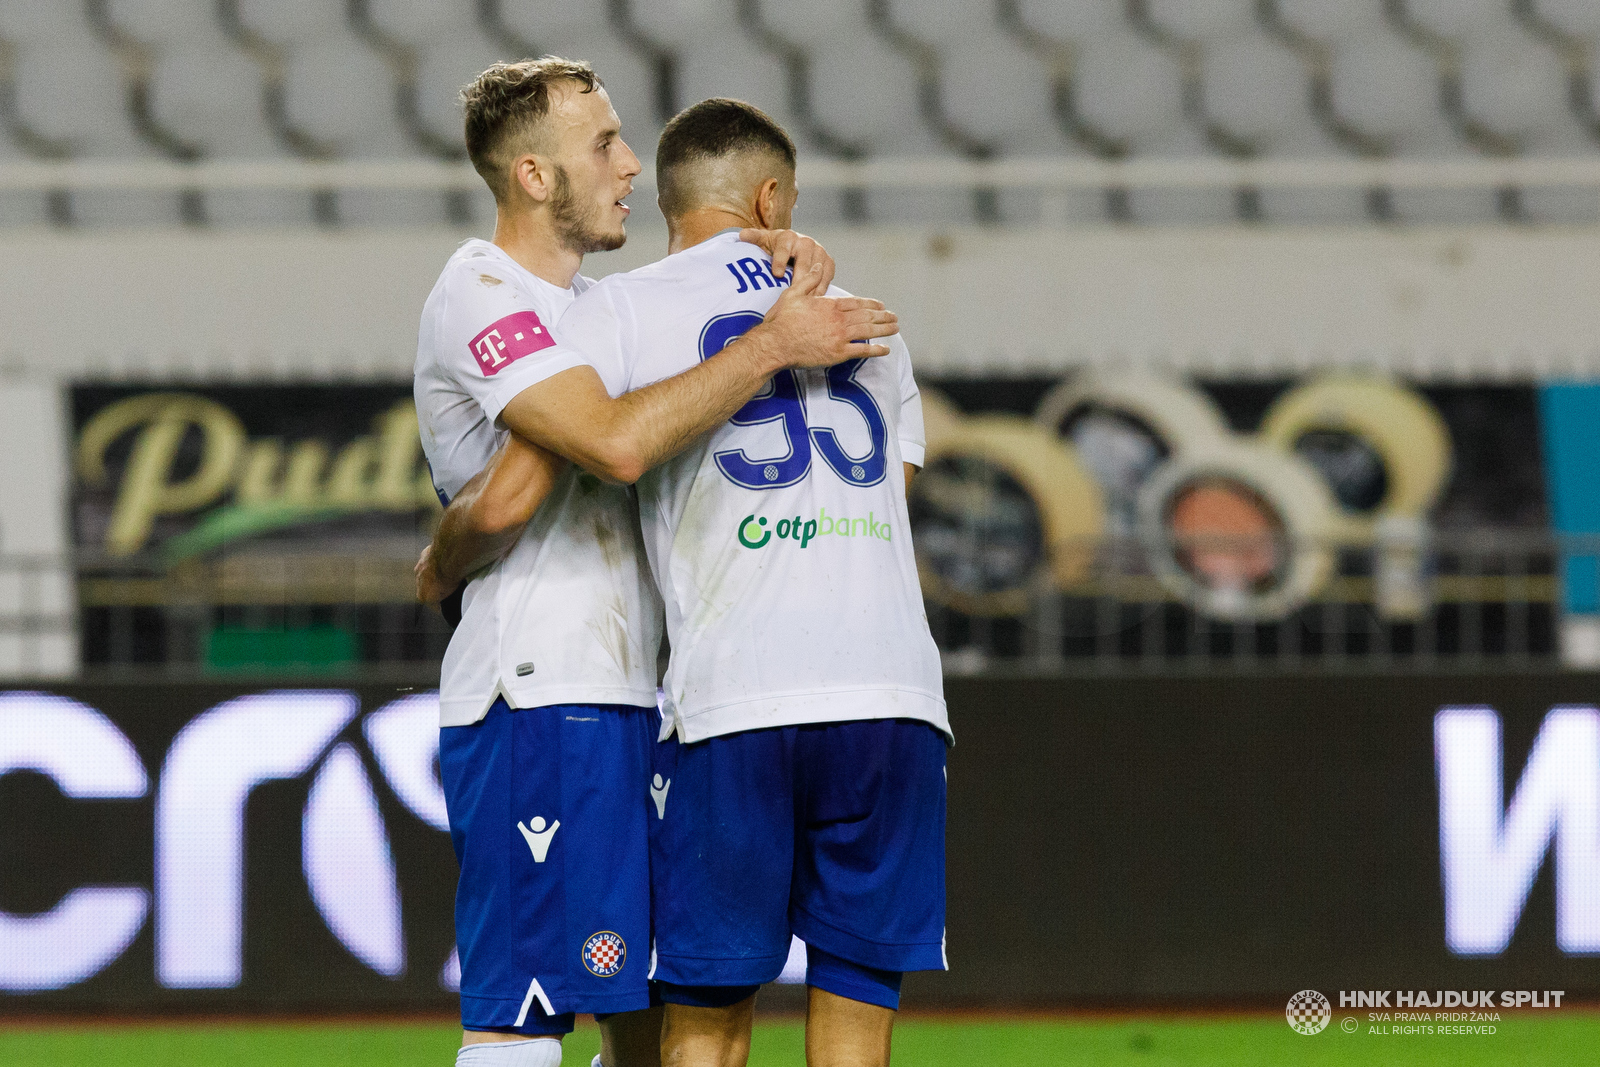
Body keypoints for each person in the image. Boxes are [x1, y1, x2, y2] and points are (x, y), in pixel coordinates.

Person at [429, 98, 948, 1067]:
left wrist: (443, 549)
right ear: (771, 198)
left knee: (705, 1016)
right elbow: (888, 497)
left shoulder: (615, 307)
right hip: (894, 694)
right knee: (857, 1013)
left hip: (734, 695)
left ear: (668, 196)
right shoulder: (864, 321)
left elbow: (576, 454)